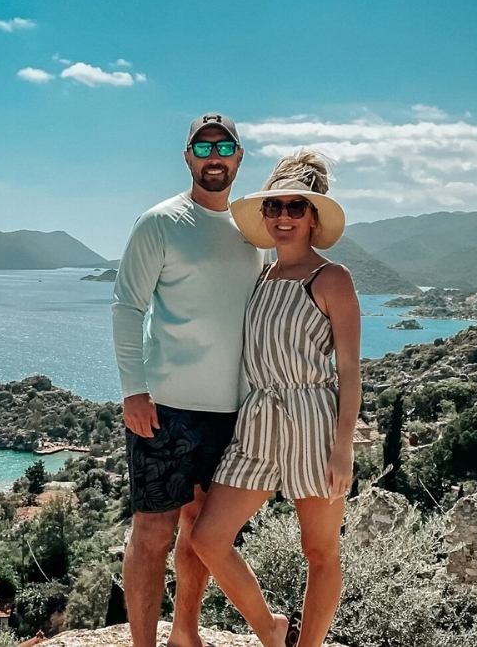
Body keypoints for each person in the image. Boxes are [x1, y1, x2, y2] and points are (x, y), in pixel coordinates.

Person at [190, 150, 362, 647]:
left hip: (313, 420)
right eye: (275, 207)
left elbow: (349, 370)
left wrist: (343, 445)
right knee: (207, 537)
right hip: (259, 420)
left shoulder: (332, 279)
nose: (283, 216)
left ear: (313, 217)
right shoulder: (260, 276)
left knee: (320, 551)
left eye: (295, 207)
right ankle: (270, 628)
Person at [112, 113, 265, 647]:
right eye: (204, 147)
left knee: (201, 531)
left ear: (240, 158)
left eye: (225, 146)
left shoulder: (255, 233)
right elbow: (127, 306)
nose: (214, 155)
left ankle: (185, 632)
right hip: (165, 407)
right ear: (188, 158)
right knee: (152, 532)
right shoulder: (160, 222)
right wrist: (134, 389)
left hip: (231, 410)